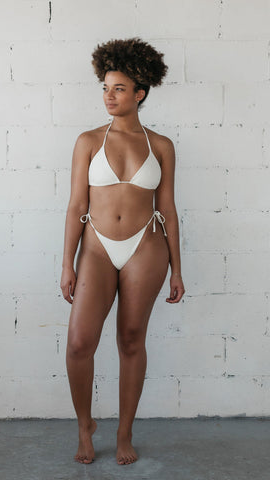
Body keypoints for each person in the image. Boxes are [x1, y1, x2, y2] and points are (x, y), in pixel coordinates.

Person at [60, 37, 185, 466]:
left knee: (132, 339)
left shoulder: (162, 145)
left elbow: (166, 209)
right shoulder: (88, 140)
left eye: (118, 89)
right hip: (96, 247)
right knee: (79, 343)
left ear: (140, 93)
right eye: (105, 88)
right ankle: (85, 426)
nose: (108, 96)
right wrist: (66, 264)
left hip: (146, 248)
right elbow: (77, 206)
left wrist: (178, 270)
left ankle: (125, 432)